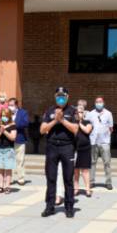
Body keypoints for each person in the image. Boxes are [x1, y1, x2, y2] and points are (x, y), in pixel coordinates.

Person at [40, 87, 79, 218]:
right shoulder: (49, 110)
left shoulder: (73, 111)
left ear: (67, 97)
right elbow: (42, 129)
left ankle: (69, 207)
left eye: (63, 96)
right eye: (58, 96)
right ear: (55, 96)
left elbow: (75, 129)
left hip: (67, 147)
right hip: (52, 147)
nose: (60, 98)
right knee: (51, 178)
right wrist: (55, 120)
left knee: (68, 178)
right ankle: (49, 206)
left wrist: (62, 120)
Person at [88, 96, 114, 189]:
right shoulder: (91, 114)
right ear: (95, 103)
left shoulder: (108, 114)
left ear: (103, 103)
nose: (99, 103)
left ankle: (108, 182)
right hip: (93, 142)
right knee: (92, 162)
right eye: (97, 102)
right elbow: (87, 126)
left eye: (100, 102)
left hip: (105, 142)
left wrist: (105, 135)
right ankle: (91, 182)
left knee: (107, 163)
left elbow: (111, 128)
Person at [0, 108, 17, 194]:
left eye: (5, 116)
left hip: (8, 149)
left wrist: (4, 131)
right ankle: (0, 186)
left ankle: (7, 186)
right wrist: (0, 132)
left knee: (8, 168)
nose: (4, 117)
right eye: (2, 115)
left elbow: (13, 138)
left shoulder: (13, 126)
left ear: (9, 116)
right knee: (0, 168)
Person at [8, 98, 29, 185]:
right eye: (9, 105)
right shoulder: (6, 112)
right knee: (10, 159)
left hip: (20, 139)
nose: (10, 107)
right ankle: (10, 178)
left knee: (20, 159)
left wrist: (14, 124)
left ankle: (21, 178)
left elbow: (25, 123)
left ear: (16, 105)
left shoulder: (23, 112)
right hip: (8, 139)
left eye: (12, 105)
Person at [73, 104, 93, 197]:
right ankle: (76, 189)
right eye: (77, 112)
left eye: (80, 112)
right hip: (74, 149)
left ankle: (87, 189)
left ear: (84, 113)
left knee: (85, 170)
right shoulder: (72, 123)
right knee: (75, 170)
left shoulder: (87, 122)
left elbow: (87, 131)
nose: (79, 114)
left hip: (85, 149)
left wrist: (80, 123)